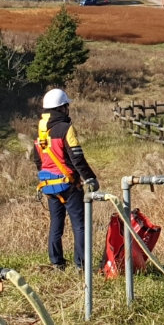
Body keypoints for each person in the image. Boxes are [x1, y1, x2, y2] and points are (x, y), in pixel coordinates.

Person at [31, 89, 99, 271]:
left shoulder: (40, 132)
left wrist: (49, 175)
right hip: (69, 185)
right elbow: (77, 158)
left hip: (48, 186)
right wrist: (90, 178)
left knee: (56, 224)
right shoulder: (66, 129)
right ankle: (82, 265)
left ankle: (57, 263)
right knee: (80, 224)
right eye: (66, 106)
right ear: (62, 108)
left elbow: (37, 160)